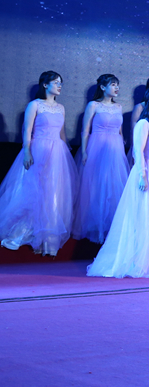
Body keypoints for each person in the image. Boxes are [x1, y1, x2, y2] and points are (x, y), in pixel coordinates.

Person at [87, 87, 149, 277]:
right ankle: (140, 260)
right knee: (146, 216)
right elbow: (138, 152)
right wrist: (142, 175)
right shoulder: (143, 124)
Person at [0, 71, 78, 256]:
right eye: (56, 82)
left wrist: (66, 154)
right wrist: (27, 151)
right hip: (38, 149)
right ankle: (21, 233)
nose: (59, 85)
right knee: (33, 191)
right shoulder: (35, 105)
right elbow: (27, 130)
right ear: (45, 84)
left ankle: (48, 240)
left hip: (57, 153)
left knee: (53, 193)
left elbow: (62, 134)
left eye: (60, 82)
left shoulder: (61, 107)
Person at [73, 73, 129, 244]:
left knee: (113, 186)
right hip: (97, 147)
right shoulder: (93, 105)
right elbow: (85, 130)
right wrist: (84, 151)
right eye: (113, 84)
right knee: (95, 186)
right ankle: (94, 226)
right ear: (103, 87)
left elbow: (120, 132)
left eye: (117, 84)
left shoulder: (118, 107)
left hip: (114, 149)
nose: (116, 88)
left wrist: (122, 150)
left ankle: (110, 227)